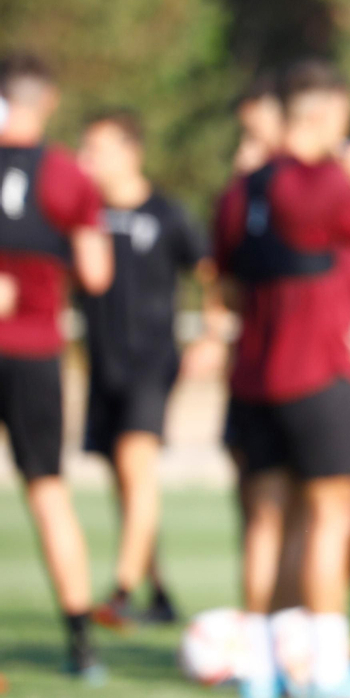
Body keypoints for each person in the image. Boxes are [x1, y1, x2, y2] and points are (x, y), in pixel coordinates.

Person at [213, 58, 350, 698]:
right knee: (332, 517)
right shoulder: (327, 182)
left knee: (265, 522)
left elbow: (229, 286)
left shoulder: (239, 192)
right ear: (323, 115)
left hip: (252, 379)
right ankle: (326, 672)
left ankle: (260, 673)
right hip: (320, 377)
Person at [0, 53, 114, 680]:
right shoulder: (66, 176)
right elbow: (97, 273)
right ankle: (81, 646)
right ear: (47, 102)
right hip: (34, 353)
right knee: (48, 494)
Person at [75, 110, 211, 628]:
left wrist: (211, 335)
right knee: (125, 485)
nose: (87, 161)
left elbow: (210, 273)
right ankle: (157, 592)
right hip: (101, 364)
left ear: (131, 152)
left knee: (137, 464)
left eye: (97, 150)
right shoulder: (83, 215)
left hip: (151, 363)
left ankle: (123, 592)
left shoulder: (168, 214)